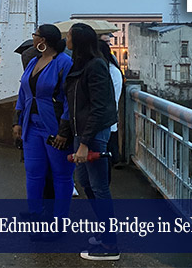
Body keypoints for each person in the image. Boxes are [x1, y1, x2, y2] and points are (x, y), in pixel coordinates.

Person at [56, 23, 119, 261]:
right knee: (85, 181)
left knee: (99, 186)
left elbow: (99, 106)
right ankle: (105, 232)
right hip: (80, 132)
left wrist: (85, 142)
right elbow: (72, 105)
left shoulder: (95, 67)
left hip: (92, 134)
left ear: (78, 40)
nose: (67, 39)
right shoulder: (80, 65)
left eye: (70, 36)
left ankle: (110, 243)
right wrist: (66, 132)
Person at [12, 24, 74, 233]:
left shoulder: (64, 63)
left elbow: (69, 99)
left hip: (53, 127)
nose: (33, 38)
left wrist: (64, 131)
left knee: (61, 174)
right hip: (32, 125)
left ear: (43, 40)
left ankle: (59, 220)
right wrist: (18, 121)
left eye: (35, 35)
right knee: (33, 172)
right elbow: (24, 92)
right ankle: (35, 212)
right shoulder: (33, 61)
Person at [98, 39, 123, 182]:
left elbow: (112, 98)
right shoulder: (106, 70)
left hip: (106, 121)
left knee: (104, 157)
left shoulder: (112, 72)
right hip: (103, 121)